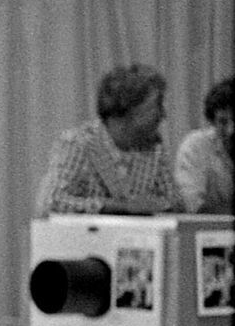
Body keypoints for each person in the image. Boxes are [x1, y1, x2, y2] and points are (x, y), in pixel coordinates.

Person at [38, 63, 178, 214]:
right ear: (127, 110)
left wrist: (161, 205)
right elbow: (51, 202)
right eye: (156, 106)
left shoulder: (153, 149)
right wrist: (116, 206)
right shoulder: (79, 144)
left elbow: (175, 203)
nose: (163, 115)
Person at [173, 76, 234, 214]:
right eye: (223, 122)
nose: (231, 130)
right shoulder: (195, 146)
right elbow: (193, 205)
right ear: (212, 121)